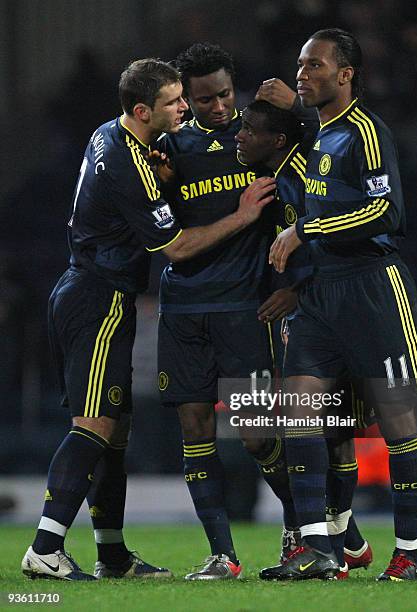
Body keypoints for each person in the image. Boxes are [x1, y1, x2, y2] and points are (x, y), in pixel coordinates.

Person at [21, 58, 275, 581]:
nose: (185, 107)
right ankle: (46, 547)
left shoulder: (109, 134)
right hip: (99, 299)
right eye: (174, 102)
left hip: (84, 290)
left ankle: (111, 554)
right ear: (143, 109)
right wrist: (243, 216)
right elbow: (178, 248)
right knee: (94, 427)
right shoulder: (131, 166)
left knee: (114, 434)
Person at [260, 28, 417, 582]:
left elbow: (387, 213)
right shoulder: (322, 135)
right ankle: (318, 549)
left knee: (399, 420)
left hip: (373, 288)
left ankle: (407, 553)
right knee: (297, 411)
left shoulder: (366, 131)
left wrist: (304, 230)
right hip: (319, 296)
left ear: (345, 74)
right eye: (300, 64)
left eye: (313, 65)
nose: (302, 74)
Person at [155, 42, 297, 580]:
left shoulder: (260, 138)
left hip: (244, 310)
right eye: (205, 99)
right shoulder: (170, 151)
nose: (218, 107)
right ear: (185, 99)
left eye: (224, 94)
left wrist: (295, 287)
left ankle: (299, 529)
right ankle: (223, 554)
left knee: (259, 436)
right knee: (195, 431)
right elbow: (158, 223)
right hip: (185, 308)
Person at [236, 99, 373, 578]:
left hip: (330, 310)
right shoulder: (268, 173)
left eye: (249, 129)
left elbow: (330, 234)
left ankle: (328, 538)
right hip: (272, 315)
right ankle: (339, 538)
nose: (239, 134)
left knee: (333, 432)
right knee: (265, 432)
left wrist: (296, 289)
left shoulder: (303, 172)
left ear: (276, 139)